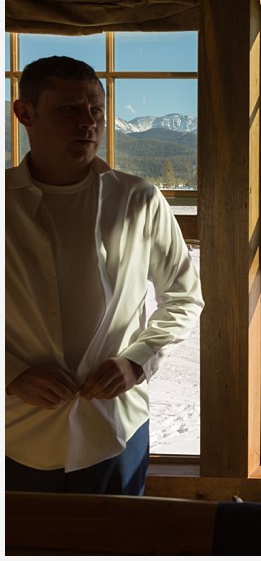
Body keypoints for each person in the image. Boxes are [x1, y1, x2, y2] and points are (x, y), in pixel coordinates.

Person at [6, 56, 204, 495]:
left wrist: (137, 361)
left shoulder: (139, 201)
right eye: (69, 109)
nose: (88, 123)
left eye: (96, 110)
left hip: (115, 430)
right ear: (24, 114)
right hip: (14, 435)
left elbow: (184, 297)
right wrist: (11, 374)